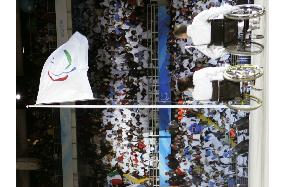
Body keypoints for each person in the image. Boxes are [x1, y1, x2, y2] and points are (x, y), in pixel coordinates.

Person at [173, 4, 238, 59]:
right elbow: (214, 11)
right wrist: (231, 8)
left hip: (231, 41)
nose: (184, 38)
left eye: (182, 38)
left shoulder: (197, 43)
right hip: (231, 24)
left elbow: (214, 56)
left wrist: (224, 48)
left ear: (182, 34)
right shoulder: (197, 20)